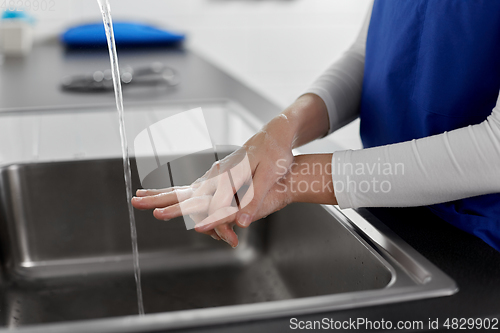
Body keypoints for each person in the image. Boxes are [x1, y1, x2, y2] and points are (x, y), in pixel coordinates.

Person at [132, 0, 500, 251]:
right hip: (390, 206)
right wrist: (281, 129)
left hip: (479, 238)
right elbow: (367, 55)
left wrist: (291, 178)